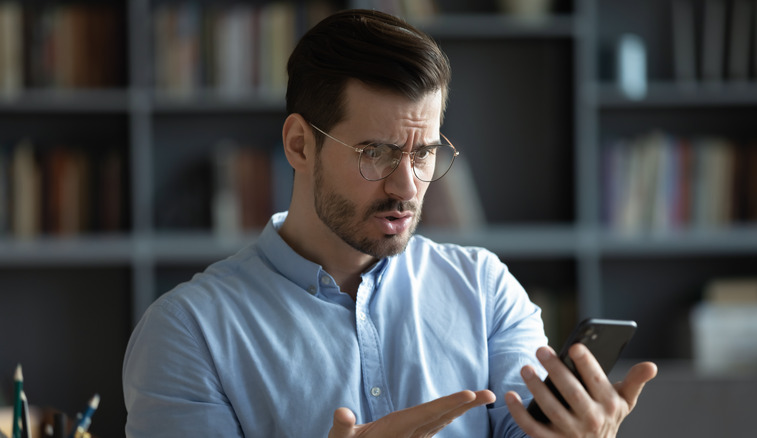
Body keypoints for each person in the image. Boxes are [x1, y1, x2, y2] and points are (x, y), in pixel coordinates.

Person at [123, 9, 657, 437]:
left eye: (423, 153)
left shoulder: (486, 290)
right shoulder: (188, 333)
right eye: (375, 153)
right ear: (298, 144)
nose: (406, 187)